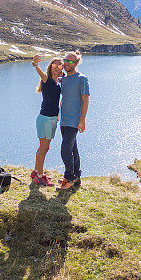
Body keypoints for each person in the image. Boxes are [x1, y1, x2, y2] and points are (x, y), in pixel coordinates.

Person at [57, 50, 89, 190]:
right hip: (64, 120)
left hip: (74, 121)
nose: (67, 63)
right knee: (73, 149)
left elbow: (85, 100)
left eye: (71, 61)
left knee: (65, 150)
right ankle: (76, 178)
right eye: (66, 60)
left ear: (76, 63)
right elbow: (64, 97)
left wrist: (82, 120)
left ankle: (68, 178)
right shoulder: (64, 79)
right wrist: (59, 113)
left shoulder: (81, 78)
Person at [31, 54, 64, 187]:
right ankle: (39, 176)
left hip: (51, 118)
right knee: (44, 147)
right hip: (45, 118)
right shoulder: (47, 79)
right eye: (54, 65)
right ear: (50, 67)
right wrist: (35, 63)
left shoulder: (58, 82)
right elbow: (39, 71)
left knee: (44, 147)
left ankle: (36, 172)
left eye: (59, 65)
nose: (57, 67)